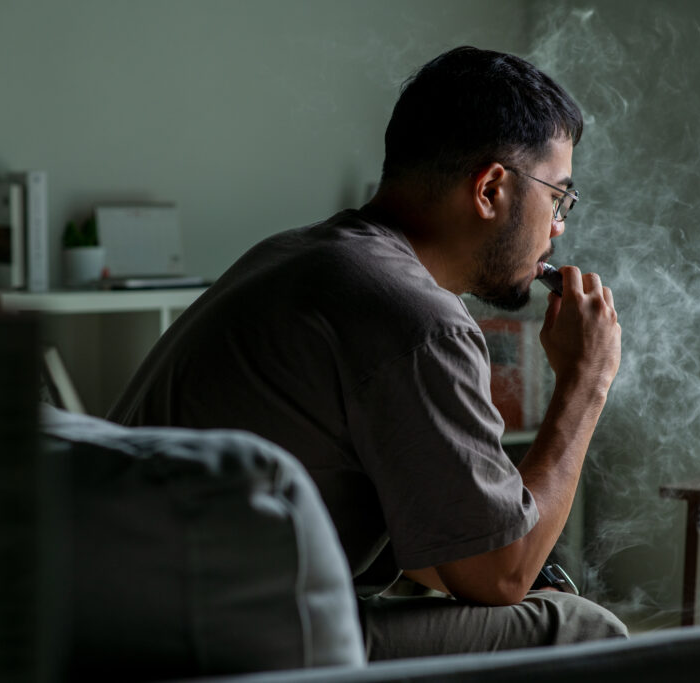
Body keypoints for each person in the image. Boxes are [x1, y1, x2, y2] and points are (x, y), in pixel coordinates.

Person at [107, 46, 626, 658]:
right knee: (584, 629)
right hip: (211, 644)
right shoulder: (419, 320)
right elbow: (500, 575)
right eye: (558, 199)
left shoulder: (300, 254)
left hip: (124, 616)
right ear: (490, 189)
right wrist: (586, 381)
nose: (558, 227)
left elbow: (446, 553)